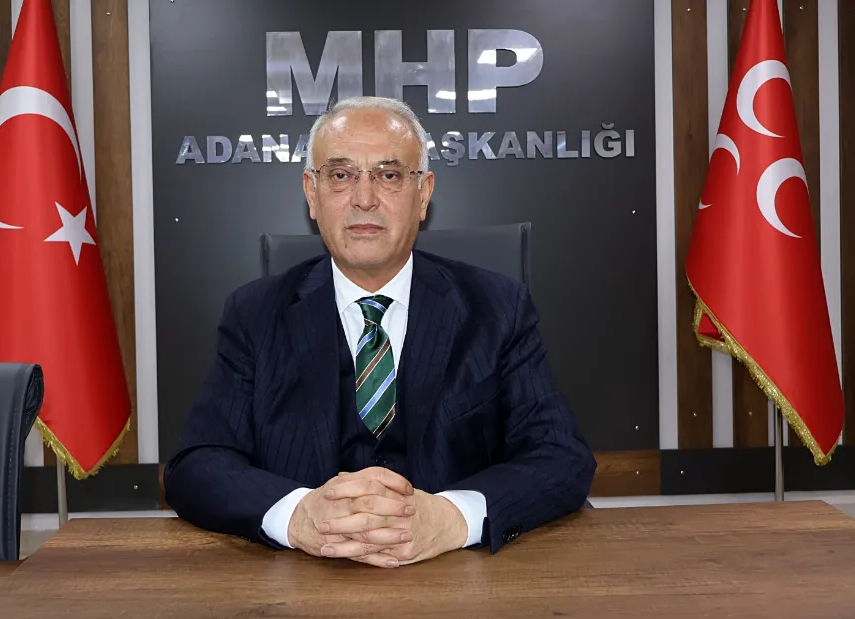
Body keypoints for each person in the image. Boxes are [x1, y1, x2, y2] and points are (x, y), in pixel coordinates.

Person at [164, 96, 596, 568]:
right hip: (303, 578)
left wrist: (453, 517)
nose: (364, 198)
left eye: (389, 175)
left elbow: (561, 456)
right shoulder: (254, 314)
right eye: (340, 175)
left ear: (424, 193)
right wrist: (297, 515)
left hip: (458, 576)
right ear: (312, 193)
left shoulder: (497, 307)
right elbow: (197, 464)